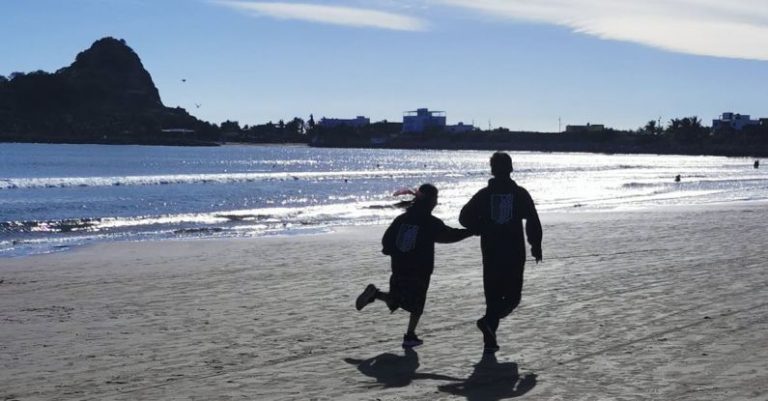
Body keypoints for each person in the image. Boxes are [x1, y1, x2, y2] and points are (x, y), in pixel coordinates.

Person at [356, 183, 473, 348]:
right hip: (419, 269)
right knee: (417, 305)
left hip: (398, 266)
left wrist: (389, 250)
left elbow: (387, 240)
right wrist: (470, 231)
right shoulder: (430, 222)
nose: (436, 202)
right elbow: (448, 235)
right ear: (431, 201)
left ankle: (375, 294)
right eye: (436, 199)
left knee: (395, 299)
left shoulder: (402, 218)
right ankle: (410, 335)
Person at [459, 152, 543, 353]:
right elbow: (532, 219)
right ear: (511, 168)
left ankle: (489, 332)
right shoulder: (518, 193)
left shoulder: (485, 195)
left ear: (492, 170)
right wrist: (535, 244)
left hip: (491, 252)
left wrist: (480, 227)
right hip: (512, 252)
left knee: (494, 297)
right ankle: (489, 330)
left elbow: (464, 218)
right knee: (512, 298)